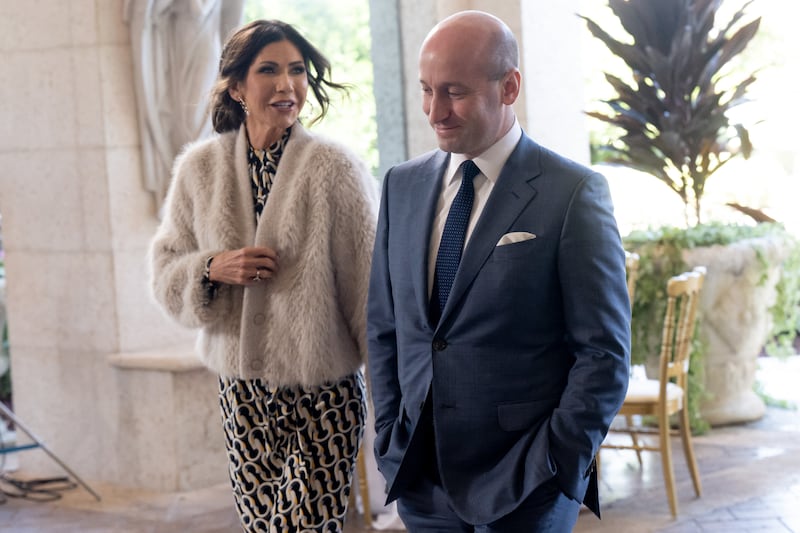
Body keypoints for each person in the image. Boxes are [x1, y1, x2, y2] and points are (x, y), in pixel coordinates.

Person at [367, 10, 630, 532]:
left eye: (455, 92)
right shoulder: (401, 185)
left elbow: (604, 352)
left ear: (509, 87)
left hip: (526, 482)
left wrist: (556, 458)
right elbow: (384, 327)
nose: (435, 111)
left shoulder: (572, 192)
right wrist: (390, 435)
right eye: (426, 90)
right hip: (421, 478)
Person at [149, 19, 377, 532]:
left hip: (324, 394)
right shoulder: (198, 170)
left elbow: (370, 295)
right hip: (242, 394)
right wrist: (211, 267)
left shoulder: (336, 169)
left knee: (303, 527)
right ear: (236, 85)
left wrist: (395, 399)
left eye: (296, 70)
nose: (286, 84)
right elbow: (165, 271)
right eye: (268, 70)